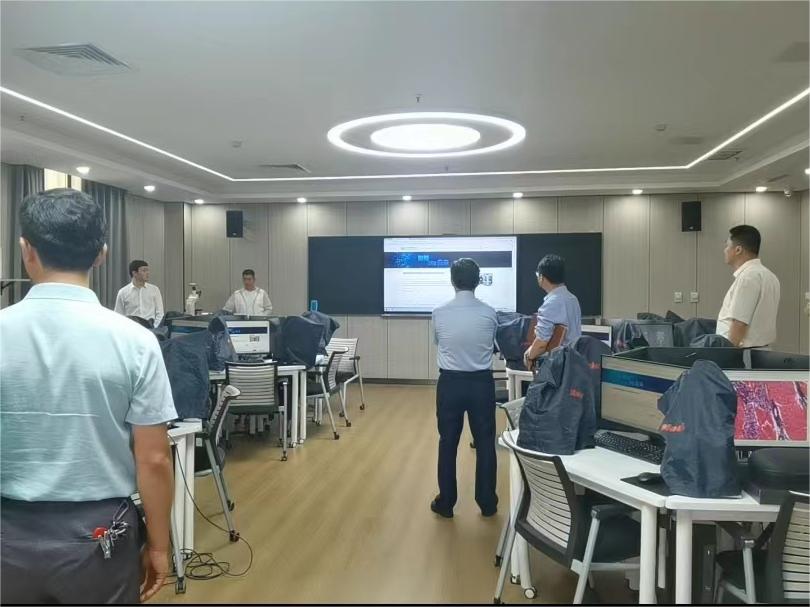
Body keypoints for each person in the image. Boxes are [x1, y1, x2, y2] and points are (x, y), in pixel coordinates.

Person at [0, 189, 178, 604]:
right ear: (101, 254)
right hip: (101, 535)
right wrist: (159, 545)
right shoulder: (136, 341)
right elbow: (154, 459)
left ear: (26, 250)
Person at [430, 258, 498, 518]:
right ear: (478, 281)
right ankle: (487, 503)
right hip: (481, 384)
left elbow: (439, 341)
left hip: (450, 383)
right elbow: (492, 344)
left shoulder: (439, 312)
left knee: (447, 442)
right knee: (485, 443)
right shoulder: (490, 313)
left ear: (452, 281)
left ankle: (446, 503)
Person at [717, 225, 780, 348]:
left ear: (738, 250)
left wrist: (727, 354)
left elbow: (739, 323)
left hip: (743, 353)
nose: (725, 250)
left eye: (727, 246)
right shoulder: (770, 276)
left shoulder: (747, 278)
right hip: (760, 349)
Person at [523, 254, 582, 370]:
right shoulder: (573, 299)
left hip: (557, 367)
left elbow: (541, 343)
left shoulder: (550, 304)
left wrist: (529, 356)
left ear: (541, 277)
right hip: (573, 362)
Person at [114, 259, 165, 327]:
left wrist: (154, 328)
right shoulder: (123, 292)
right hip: (131, 327)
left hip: (150, 327)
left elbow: (160, 313)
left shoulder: (154, 290)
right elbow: (118, 315)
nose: (147, 273)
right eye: (144, 270)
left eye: (148, 270)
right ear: (134, 273)